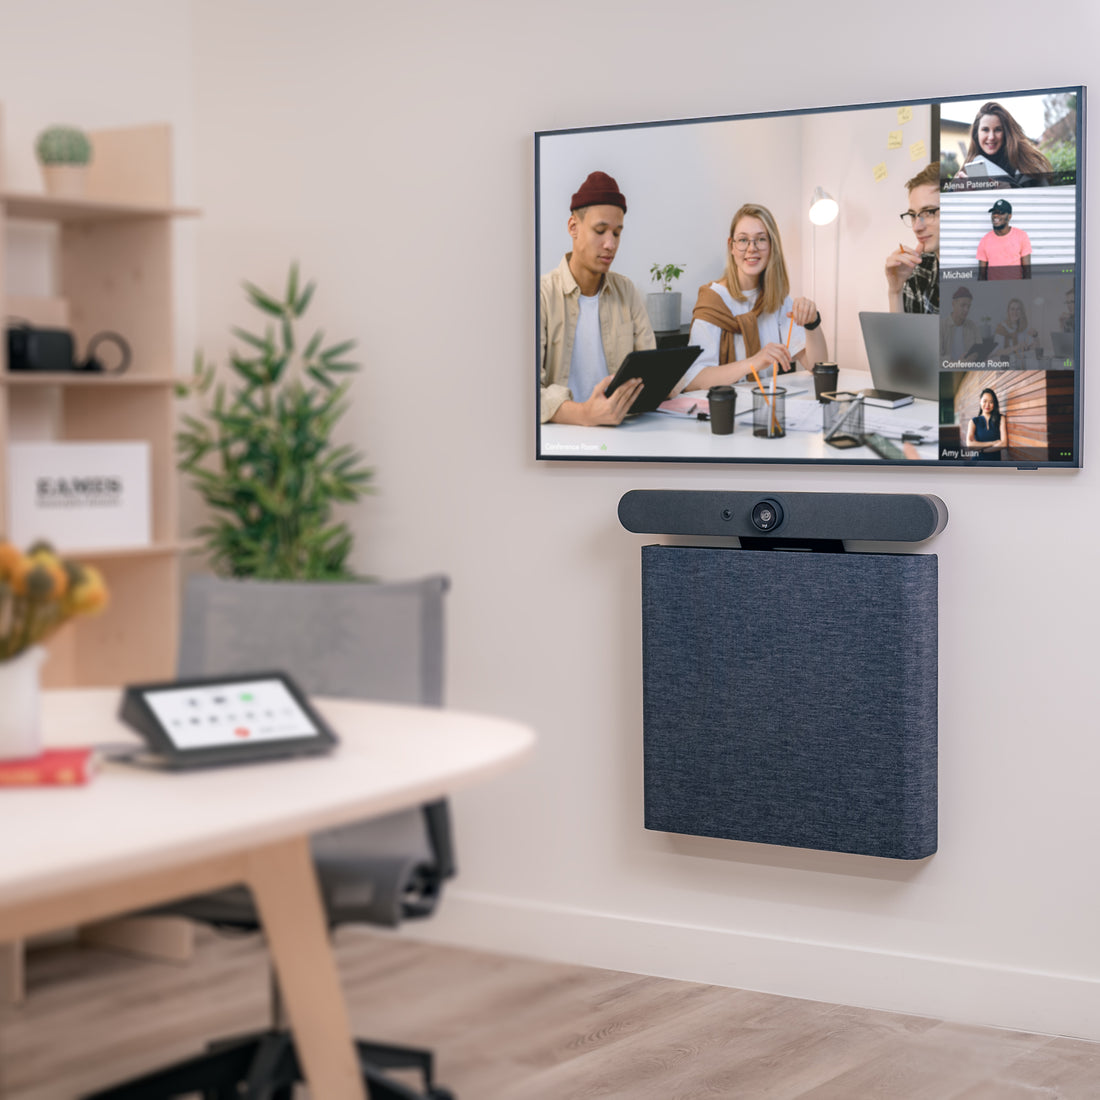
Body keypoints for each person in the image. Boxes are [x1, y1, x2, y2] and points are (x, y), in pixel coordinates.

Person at [539, 171, 655, 425]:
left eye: (616, 233)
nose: (610, 244)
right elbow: (525, 393)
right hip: (561, 436)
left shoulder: (626, 291)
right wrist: (585, 415)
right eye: (600, 230)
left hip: (625, 430)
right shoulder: (542, 296)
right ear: (573, 227)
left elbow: (651, 373)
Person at [680, 203, 826, 391]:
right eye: (743, 240)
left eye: (761, 239)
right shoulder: (713, 300)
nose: (752, 248)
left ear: (772, 246)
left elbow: (818, 368)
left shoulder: (779, 300)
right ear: (731, 246)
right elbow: (693, 380)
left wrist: (812, 323)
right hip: (724, 409)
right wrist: (754, 362)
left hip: (766, 406)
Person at [953, 101, 1053, 187]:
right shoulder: (967, 170)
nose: (991, 137)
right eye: (985, 130)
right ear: (976, 134)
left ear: (1006, 132)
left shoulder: (1027, 163)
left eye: (998, 130)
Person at [885, 163, 940, 314]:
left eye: (928, 212)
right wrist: (895, 291)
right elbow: (901, 337)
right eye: (913, 215)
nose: (916, 227)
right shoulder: (919, 270)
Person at [977, 199, 1031, 281]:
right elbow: (981, 275)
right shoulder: (984, 240)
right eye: (994, 212)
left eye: (1000, 213)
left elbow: (1027, 272)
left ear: (1009, 216)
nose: (996, 215)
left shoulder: (1021, 236)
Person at [965, 387, 1008, 461]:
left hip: (995, 464)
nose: (987, 405)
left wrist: (982, 450)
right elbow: (970, 444)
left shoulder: (1001, 419)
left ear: (994, 404)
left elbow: (1004, 443)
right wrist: (993, 443)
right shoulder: (973, 421)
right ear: (980, 401)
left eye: (991, 402)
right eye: (984, 401)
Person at [940, 287, 981, 361]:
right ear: (953, 304)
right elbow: (938, 358)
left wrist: (975, 355)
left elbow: (979, 348)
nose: (966, 310)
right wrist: (957, 364)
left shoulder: (973, 326)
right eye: (963, 305)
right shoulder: (941, 326)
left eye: (968, 306)